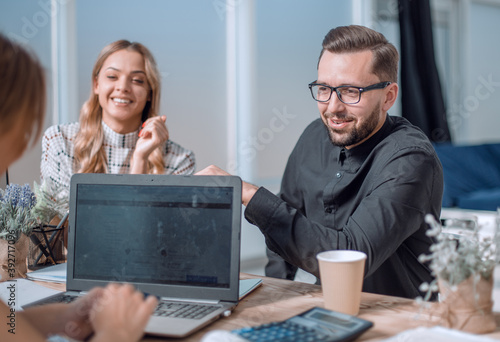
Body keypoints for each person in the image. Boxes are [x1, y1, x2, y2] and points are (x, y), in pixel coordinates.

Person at [198, 25, 443, 299]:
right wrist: (279, 294)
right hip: (327, 311)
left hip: (401, 320)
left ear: (388, 96)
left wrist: (249, 194)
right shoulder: (314, 136)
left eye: (351, 91)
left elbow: (350, 257)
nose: (333, 107)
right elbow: (285, 214)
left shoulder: (410, 159)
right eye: (324, 88)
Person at [0, 33, 157, 342]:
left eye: (137, 80)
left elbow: (9, 328)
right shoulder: (60, 139)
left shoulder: (171, 154)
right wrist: (116, 333)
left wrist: (63, 315)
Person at [40, 40, 195, 192]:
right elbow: (58, 217)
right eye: (112, 77)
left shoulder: (179, 160)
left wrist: (140, 159)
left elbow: (152, 219)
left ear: (150, 92)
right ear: (96, 85)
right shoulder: (60, 141)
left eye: (137, 80)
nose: (123, 87)